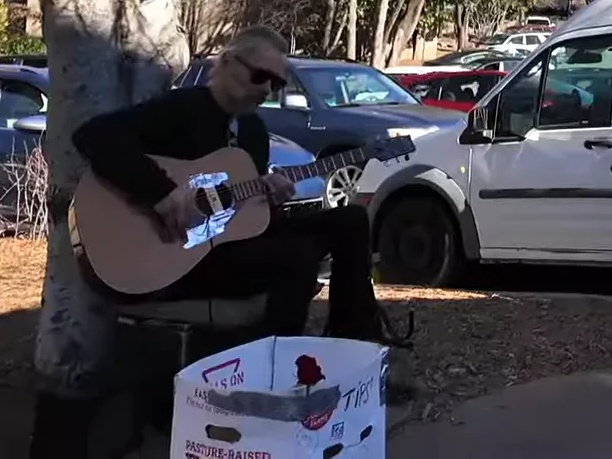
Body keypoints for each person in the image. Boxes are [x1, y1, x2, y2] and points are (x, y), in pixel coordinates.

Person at [73, 26, 383, 341]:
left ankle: (358, 342)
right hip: (175, 258)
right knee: (296, 258)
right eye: (260, 76)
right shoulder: (181, 109)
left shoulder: (253, 132)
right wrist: (161, 192)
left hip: (228, 248)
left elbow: (242, 220)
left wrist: (267, 197)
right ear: (226, 62)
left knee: (350, 220)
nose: (267, 90)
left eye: (276, 83)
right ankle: (269, 367)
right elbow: (93, 135)